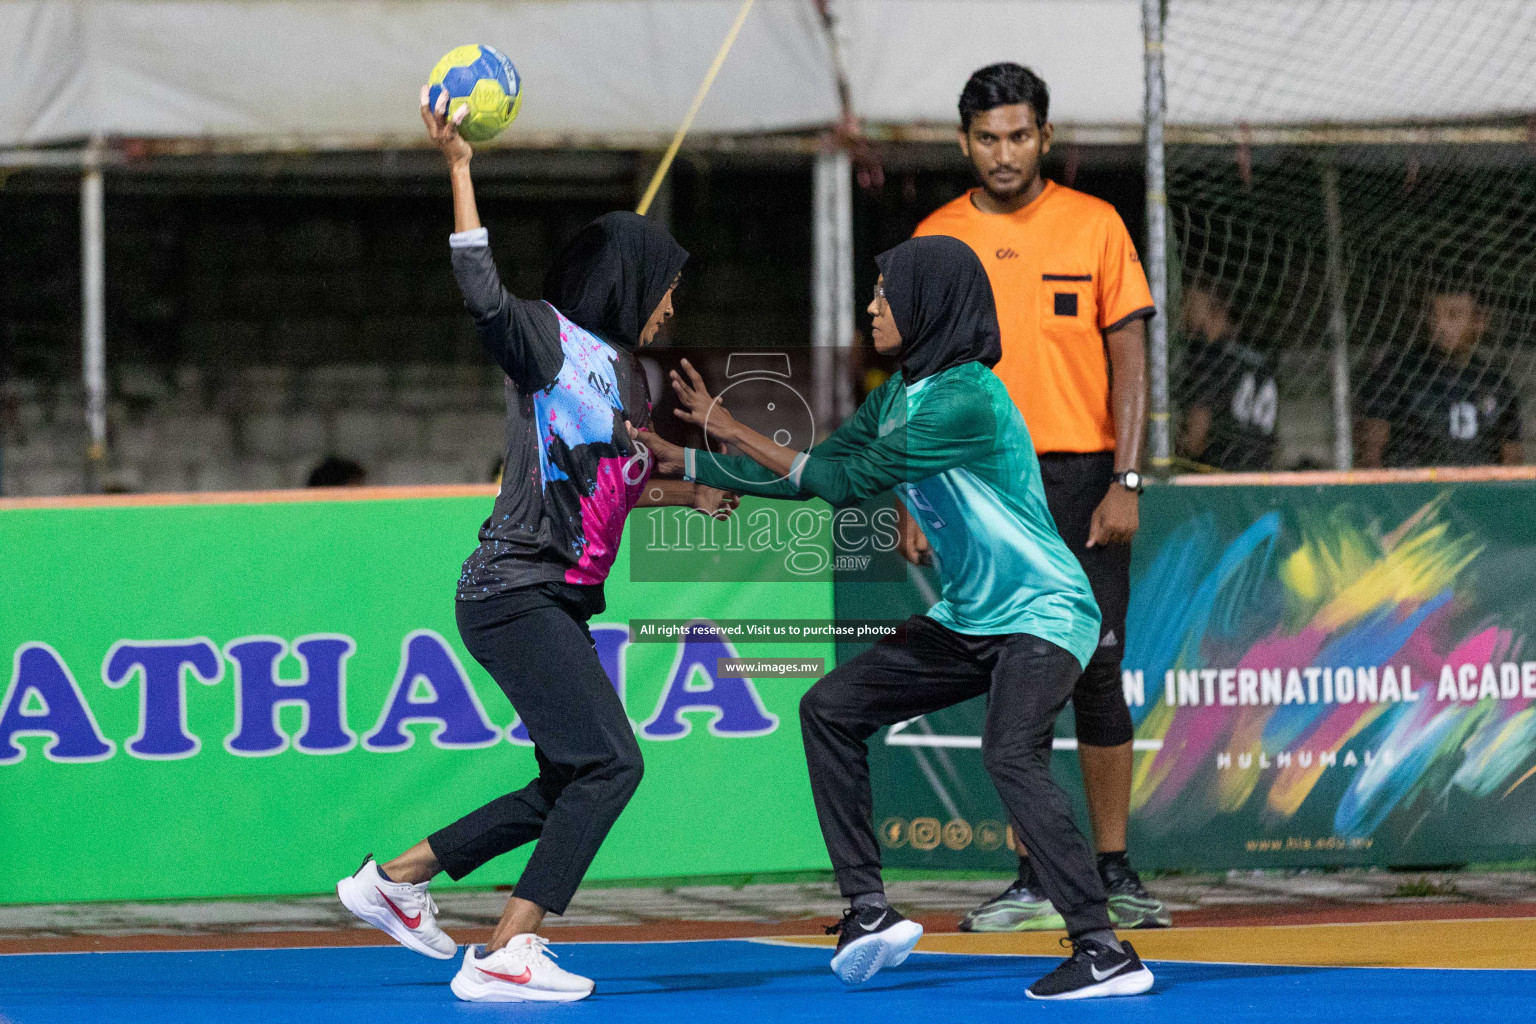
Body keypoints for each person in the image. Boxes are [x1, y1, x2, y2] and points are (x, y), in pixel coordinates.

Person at [638, 235, 1155, 1001]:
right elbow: (818, 466)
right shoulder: (898, 395)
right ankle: (869, 910)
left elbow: (850, 482)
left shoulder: (969, 396)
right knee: (830, 710)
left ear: (930, 306)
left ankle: (1104, 949)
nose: (873, 305)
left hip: (1045, 611)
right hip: (974, 617)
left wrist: (729, 427)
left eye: (886, 292)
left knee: (1009, 754)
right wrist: (699, 463)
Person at [335, 86, 735, 1005]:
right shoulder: (550, 344)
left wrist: (687, 490)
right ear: (631, 280)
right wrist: (461, 168)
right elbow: (481, 290)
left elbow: (609, 482)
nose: (673, 304)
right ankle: (509, 951)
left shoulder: (626, 375)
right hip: (514, 590)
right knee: (613, 763)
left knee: (570, 776)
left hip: (547, 597)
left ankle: (393, 881)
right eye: (668, 285)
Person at [908, 62, 1169, 931]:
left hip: (1084, 477)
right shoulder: (936, 236)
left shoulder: (1095, 225)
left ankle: (1115, 869)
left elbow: (1130, 355)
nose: (1004, 152)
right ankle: (1032, 880)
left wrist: (1128, 478)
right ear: (964, 143)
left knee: (1094, 666)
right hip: (981, 482)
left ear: (1045, 138)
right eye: (988, 138)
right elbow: (918, 376)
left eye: (1020, 135)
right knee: (1014, 677)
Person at [1357, 284, 1522, 468]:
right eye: (1434, 315)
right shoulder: (1398, 372)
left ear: (1480, 320)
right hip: (1414, 491)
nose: (1440, 325)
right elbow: (1371, 451)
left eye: (1453, 315)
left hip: (1479, 493)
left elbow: (1512, 456)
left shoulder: (1497, 384)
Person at [1174, 283, 1278, 471]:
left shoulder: (1209, 355)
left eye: (1188, 305)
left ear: (1218, 311)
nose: (1184, 314)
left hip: (1220, 473)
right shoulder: (1259, 361)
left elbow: (1196, 435)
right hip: (1260, 471)